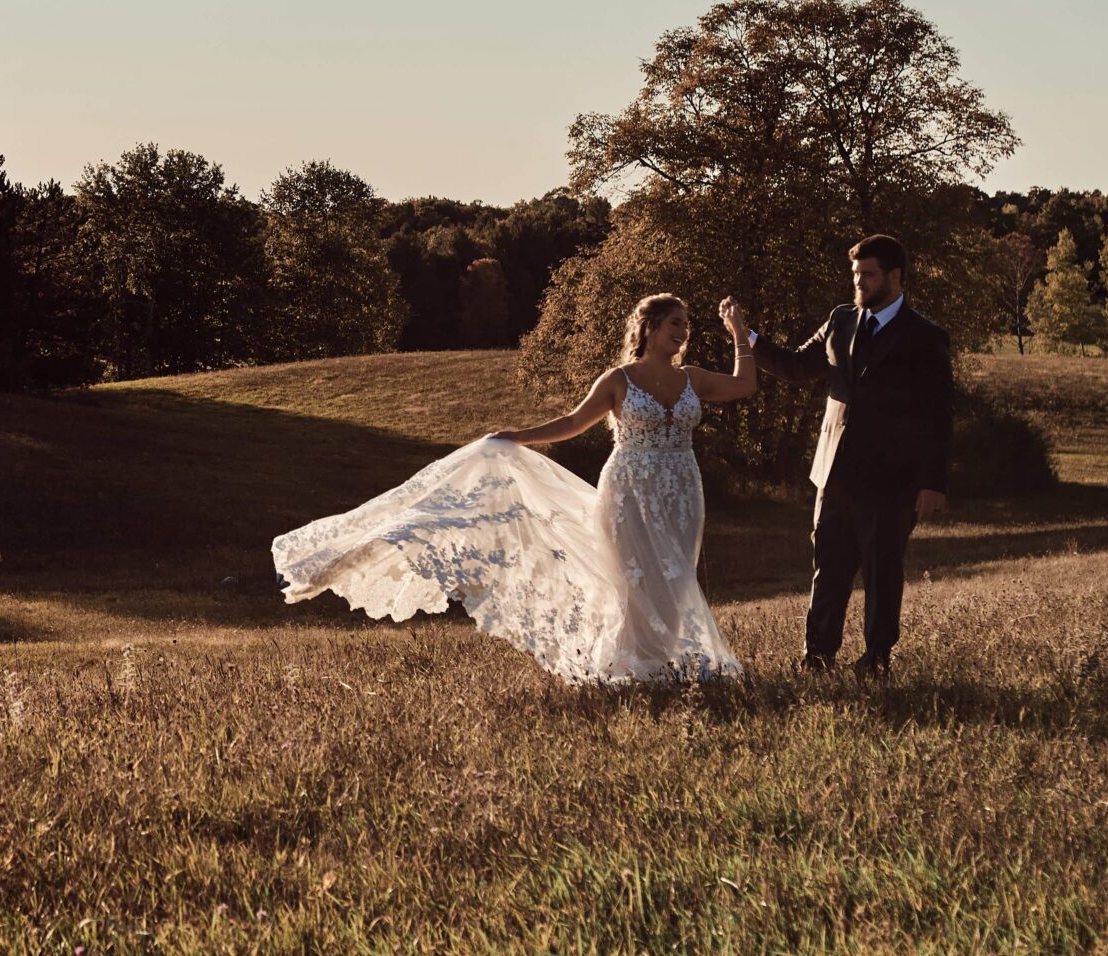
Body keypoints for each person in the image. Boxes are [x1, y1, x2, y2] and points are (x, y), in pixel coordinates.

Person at [274, 293, 755, 684]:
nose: (683, 330)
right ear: (649, 327)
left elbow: (744, 386)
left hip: (683, 490)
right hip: (629, 490)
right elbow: (571, 423)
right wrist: (516, 437)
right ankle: (635, 667)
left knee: (674, 578)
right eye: (675, 321)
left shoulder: (693, 379)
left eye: (687, 324)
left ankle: (662, 663)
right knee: (634, 579)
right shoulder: (618, 380)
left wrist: (739, 334)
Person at [730, 232, 953, 676]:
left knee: (881, 575)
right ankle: (817, 657)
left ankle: (876, 660)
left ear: (894, 275)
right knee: (827, 570)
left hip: (892, 481)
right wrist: (746, 336)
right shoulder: (840, 320)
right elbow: (796, 366)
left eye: (868, 276)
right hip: (833, 475)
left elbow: (939, 415)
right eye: (855, 275)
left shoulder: (926, 336)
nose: (859, 283)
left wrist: (933, 482)